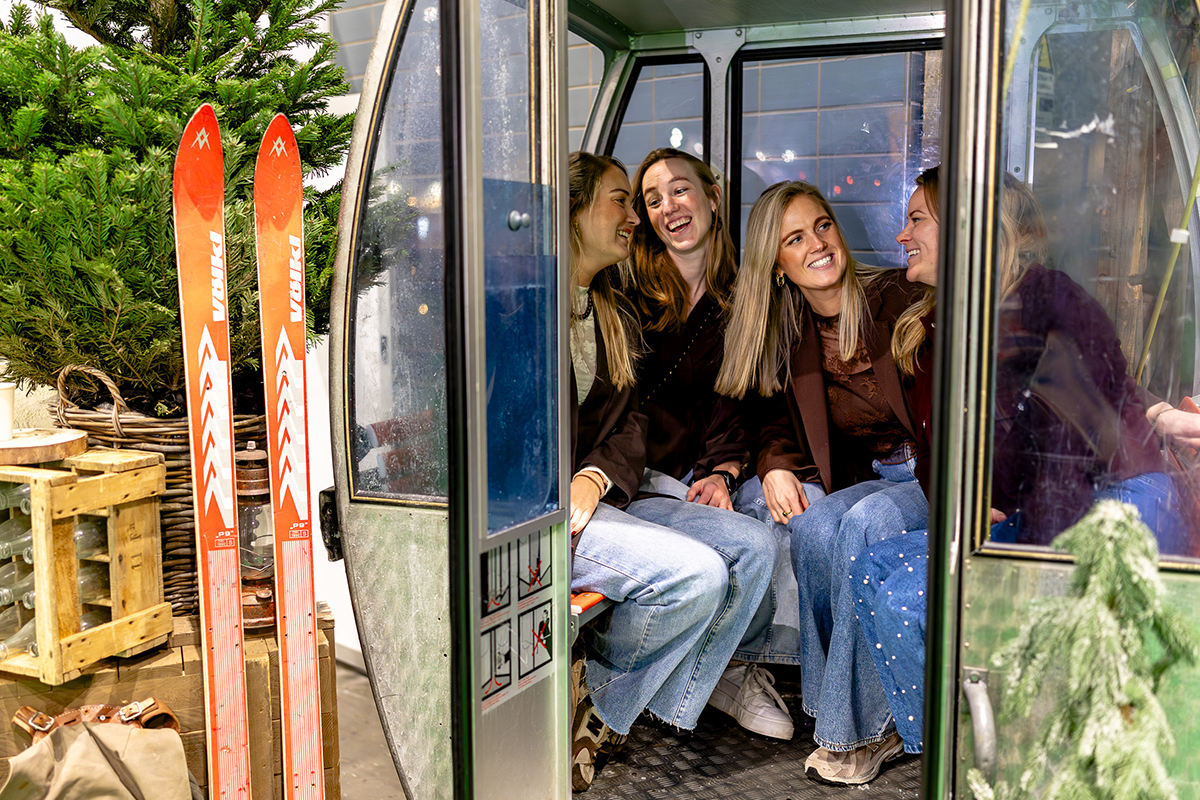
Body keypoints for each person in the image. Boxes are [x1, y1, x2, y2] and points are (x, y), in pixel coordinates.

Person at [851, 166, 1191, 756]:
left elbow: (1080, 439)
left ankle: (984, 761)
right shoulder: (936, 323)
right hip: (1028, 512)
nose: (901, 236)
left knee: (905, 601)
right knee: (872, 566)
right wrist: (965, 508)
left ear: (966, 229)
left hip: (1106, 507)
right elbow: (937, 454)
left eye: (916, 220)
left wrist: (1006, 547)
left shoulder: (1047, 301)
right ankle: (949, 752)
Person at [563, 151, 772, 792]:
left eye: (658, 197)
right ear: (570, 211)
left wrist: (598, 477)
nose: (641, 215)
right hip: (544, 510)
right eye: (627, 200)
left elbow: (627, 421)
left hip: (612, 491)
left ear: (713, 196)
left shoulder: (605, 309)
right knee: (700, 575)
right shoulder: (540, 301)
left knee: (758, 544)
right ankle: (610, 699)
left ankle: (629, 702)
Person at [716, 180, 925, 784]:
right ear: (777, 266)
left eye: (823, 226)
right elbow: (770, 419)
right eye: (796, 238)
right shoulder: (791, 335)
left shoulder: (895, 297)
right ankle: (844, 710)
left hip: (933, 472)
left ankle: (860, 733)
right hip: (879, 476)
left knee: (862, 523)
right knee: (812, 526)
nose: (818, 244)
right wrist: (774, 463)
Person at [625, 147, 795, 739]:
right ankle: (716, 677)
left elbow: (749, 398)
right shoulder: (630, 294)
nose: (668, 206)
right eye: (652, 199)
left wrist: (725, 471)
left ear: (713, 196)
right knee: (747, 543)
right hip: (637, 480)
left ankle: (737, 668)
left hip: (710, 472)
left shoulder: (744, 296)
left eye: (679, 189)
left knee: (782, 522)